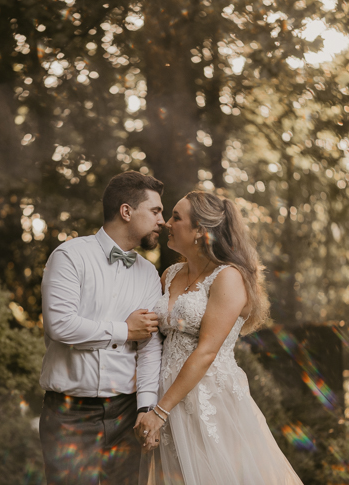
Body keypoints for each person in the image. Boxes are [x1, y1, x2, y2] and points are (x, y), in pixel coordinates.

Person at [136, 191, 304, 485]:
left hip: (209, 398)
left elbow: (206, 351)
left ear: (200, 230)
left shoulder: (228, 277)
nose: (166, 224)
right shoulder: (170, 274)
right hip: (166, 396)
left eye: (176, 217)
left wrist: (160, 412)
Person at [39, 171, 166, 485]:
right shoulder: (70, 256)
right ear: (126, 211)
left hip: (126, 413)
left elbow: (149, 347)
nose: (162, 220)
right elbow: (60, 325)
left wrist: (146, 406)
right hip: (70, 415)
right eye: (155, 211)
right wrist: (123, 330)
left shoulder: (149, 273)